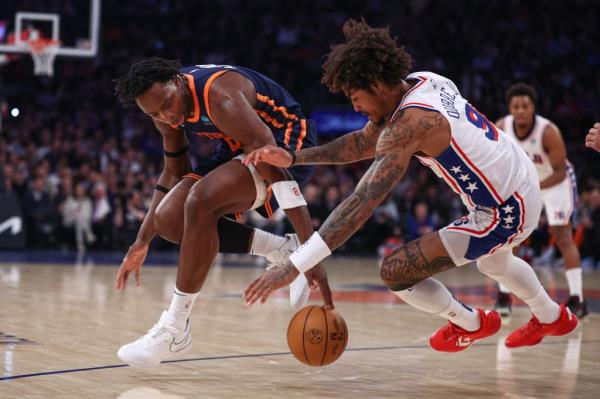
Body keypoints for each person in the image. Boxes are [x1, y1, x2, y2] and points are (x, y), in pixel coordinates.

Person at [243, 19, 578, 352]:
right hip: (520, 177)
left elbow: (362, 203)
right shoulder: (425, 80)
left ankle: (470, 324)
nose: (354, 106)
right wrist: (295, 157)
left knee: (396, 272)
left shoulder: (412, 124)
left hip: (506, 210)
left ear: (376, 84)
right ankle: (551, 316)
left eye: (355, 96)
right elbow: (362, 143)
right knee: (494, 263)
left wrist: (295, 263)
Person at [113, 58, 332, 367]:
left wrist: (310, 254)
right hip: (236, 148)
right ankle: (283, 248)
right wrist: (142, 240)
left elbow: (277, 172)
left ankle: (175, 327)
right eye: (155, 114)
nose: (168, 117)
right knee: (170, 220)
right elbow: (174, 171)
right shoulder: (161, 108)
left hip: (284, 140)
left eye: (167, 105)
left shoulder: (220, 95)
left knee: (200, 201)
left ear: (176, 80)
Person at [494, 83, 587, 318]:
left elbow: (559, 172)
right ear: (510, 109)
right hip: (526, 183)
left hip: (555, 182)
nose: (521, 111)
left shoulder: (548, 131)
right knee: (508, 237)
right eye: (516, 106)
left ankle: (577, 298)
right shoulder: (502, 128)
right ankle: (504, 295)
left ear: (533, 107)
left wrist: (531, 188)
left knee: (562, 235)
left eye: (525, 106)